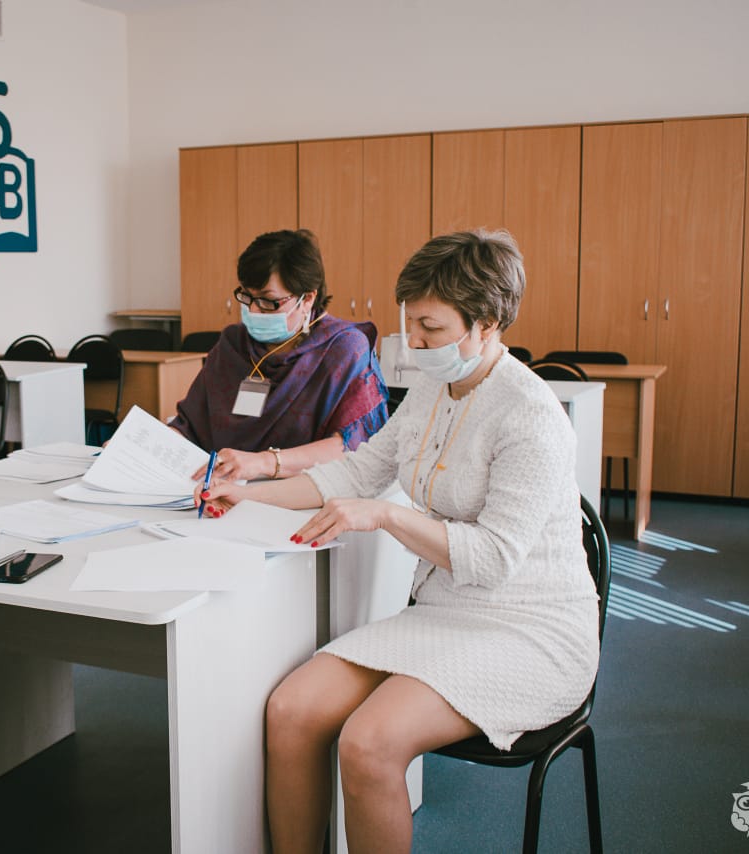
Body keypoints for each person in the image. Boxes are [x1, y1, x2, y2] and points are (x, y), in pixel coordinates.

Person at [197, 230, 601, 853]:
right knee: (292, 711)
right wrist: (247, 494)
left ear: (487, 323)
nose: (412, 343)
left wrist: (386, 517)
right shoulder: (434, 391)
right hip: (442, 614)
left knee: (368, 742)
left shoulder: (531, 415)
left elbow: (492, 559)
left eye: (430, 329)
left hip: (531, 631)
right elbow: (356, 472)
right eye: (409, 323)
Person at [169, 228, 389, 483]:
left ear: (307, 299)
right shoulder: (233, 345)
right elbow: (189, 426)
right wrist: (151, 446)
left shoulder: (344, 350)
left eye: (268, 301)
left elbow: (352, 446)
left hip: (299, 493)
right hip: (219, 487)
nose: (253, 310)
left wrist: (264, 462)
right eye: (247, 297)